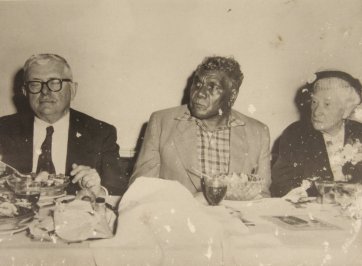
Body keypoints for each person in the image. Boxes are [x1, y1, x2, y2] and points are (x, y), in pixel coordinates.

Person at [130, 56, 271, 199]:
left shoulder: (258, 133)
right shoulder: (162, 122)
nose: (200, 93)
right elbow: (141, 190)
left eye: (212, 87)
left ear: (232, 95)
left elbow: (261, 198)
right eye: (197, 84)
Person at [0, 54, 127, 196]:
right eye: (35, 84)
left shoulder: (101, 132)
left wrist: (98, 191)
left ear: (72, 90)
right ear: (25, 92)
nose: (45, 91)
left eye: (54, 82)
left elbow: (117, 189)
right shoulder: (3, 129)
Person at [271, 70, 362, 197]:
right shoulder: (295, 135)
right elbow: (282, 185)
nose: (317, 111)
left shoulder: (359, 133)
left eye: (327, 104)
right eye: (314, 102)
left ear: (346, 110)